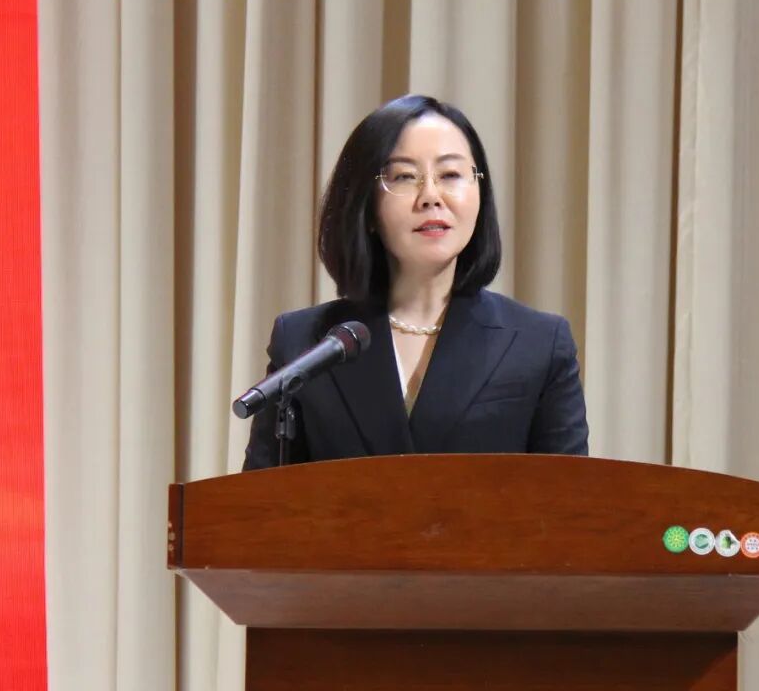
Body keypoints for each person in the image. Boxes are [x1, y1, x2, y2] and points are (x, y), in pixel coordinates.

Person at [242, 95, 588, 470]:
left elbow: (571, 498)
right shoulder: (305, 343)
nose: (431, 197)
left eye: (451, 175)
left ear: (480, 193)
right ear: (365, 205)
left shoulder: (539, 344)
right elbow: (259, 500)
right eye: (404, 177)